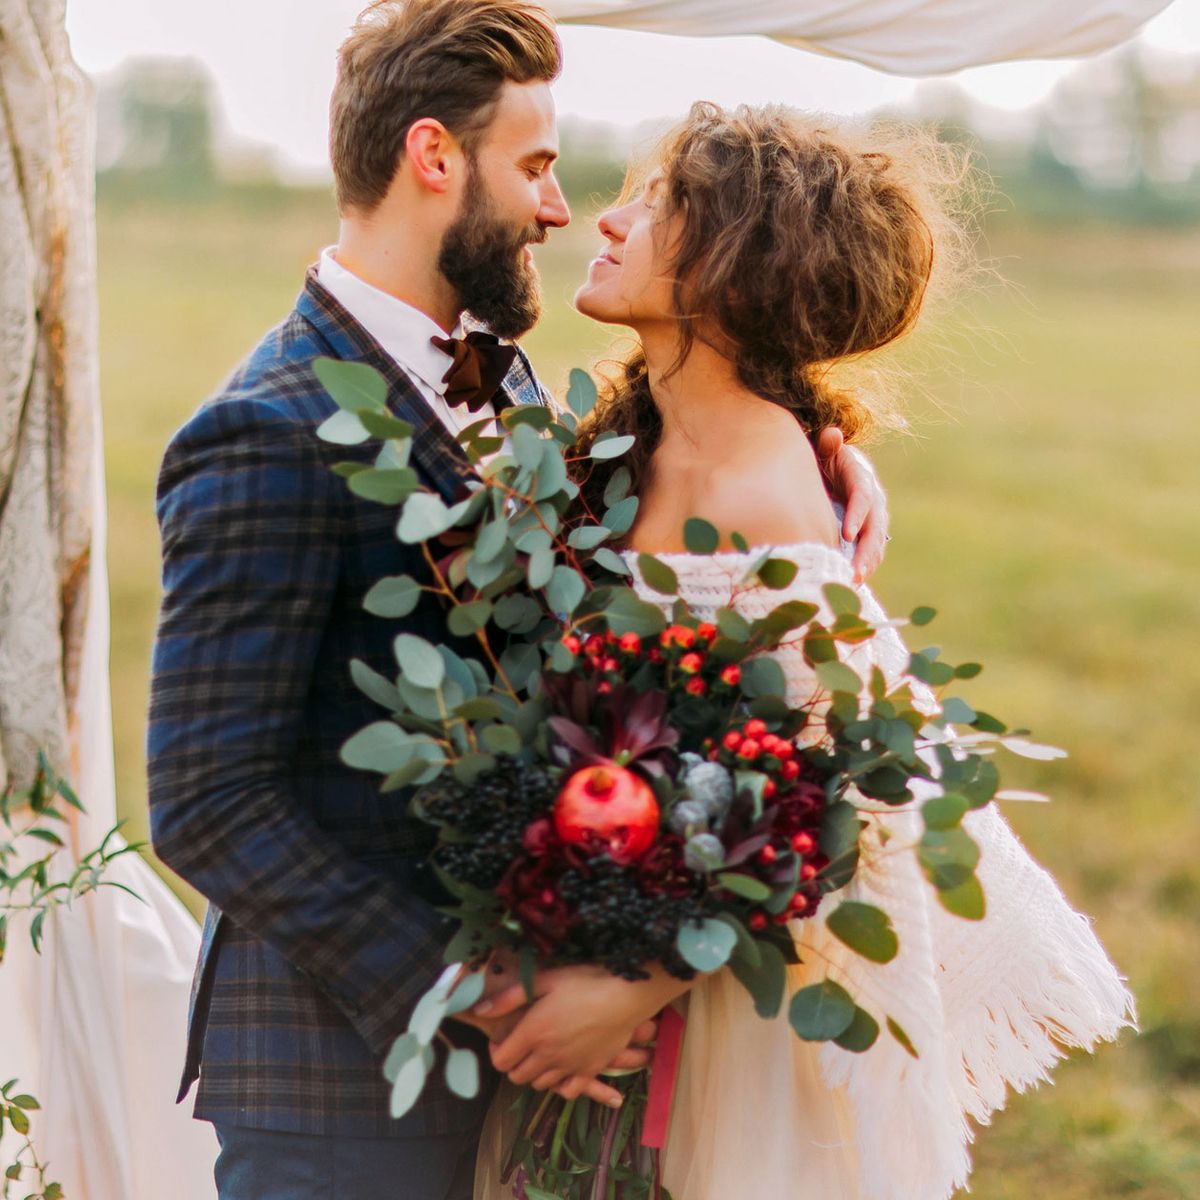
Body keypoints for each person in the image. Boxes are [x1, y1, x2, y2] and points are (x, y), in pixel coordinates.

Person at [145, 5, 888, 1197]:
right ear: (434, 158)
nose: (557, 207)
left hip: (542, 1066)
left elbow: (666, 494)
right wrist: (493, 998)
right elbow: (209, 802)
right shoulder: (263, 432)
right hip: (350, 1078)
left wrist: (822, 457)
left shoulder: (506, 372)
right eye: (535, 166)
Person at [472, 102, 1135, 1200]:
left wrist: (629, 989)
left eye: (658, 200)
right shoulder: (619, 458)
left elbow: (843, 802)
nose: (611, 214)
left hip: (724, 1007)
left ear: (737, 267)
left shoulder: (765, 499)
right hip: (603, 950)